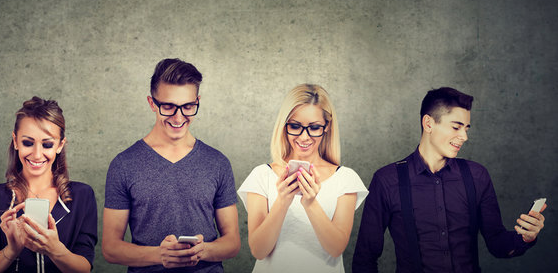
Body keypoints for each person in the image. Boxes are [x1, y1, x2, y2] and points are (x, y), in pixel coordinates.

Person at [352, 87, 547, 272]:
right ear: (428, 124)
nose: (464, 136)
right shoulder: (387, 180)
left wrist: (525, 238)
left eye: (466, 129)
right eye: (456, 127)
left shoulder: (477, 176)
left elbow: (497, 244)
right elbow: (365, 258)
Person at [102, 58, 241, 272]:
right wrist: (159, 255)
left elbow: (232, 243)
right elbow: (110, 248)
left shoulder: (217, 163)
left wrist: (202, 251)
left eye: (188, 107)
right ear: (152, 103)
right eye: (168, 106)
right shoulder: (123, 165)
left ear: (197, 101)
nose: (178, 117)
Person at [237, 83, 368, 272]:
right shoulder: (261, 175)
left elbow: (336, 248)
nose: (304, 137)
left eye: (314, 127)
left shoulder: (345, 178)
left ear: (327, 127)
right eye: (295, 126)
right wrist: (283, 201)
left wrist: (310, 203)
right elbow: (258, 250)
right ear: (284, 126)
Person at [0, 97, 97, 272]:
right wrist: (11, 250)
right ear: (15, 141)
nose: (37, 155)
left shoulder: (82, 196)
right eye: (28, 143)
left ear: (60, 145)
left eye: (47, 144)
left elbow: (84, 268)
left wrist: (55, 249)